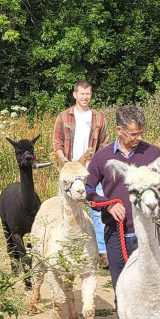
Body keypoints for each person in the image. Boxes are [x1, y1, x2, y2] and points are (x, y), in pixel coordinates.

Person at [85, 104, 160, 319]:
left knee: (151, 283)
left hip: (148, 232)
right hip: (117, 233)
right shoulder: (102, 158)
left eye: (141, 132)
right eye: (134, 134)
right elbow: (88, 190)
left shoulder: (152, 153)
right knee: (122, 284)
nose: (139, 138)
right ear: (119, 130)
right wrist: (108, 204)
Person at [52, 80, 109, 267]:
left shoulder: (99, 118)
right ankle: (65, 246)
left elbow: (105, 144)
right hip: (71, 170)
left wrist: (96, 162)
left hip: (90, 169)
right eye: (82, 94)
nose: (85, 97)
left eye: (88, 94)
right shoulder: (63, 117)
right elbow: (57, 143)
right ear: (75, 94)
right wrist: (64, 161)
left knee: (97, 209)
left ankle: (101, 252)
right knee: (68, 209)